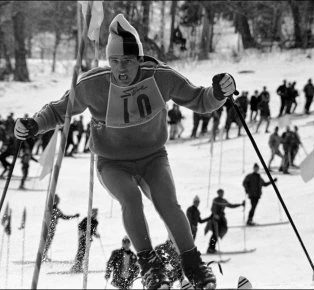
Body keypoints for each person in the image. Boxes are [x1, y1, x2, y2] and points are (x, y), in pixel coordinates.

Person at [14, 14, 235, 289]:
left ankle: (193, 264)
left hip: (153, 157)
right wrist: (33, 125)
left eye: (128, 61)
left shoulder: (161, 78)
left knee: (168, 202)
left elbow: (202, 101)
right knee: (130, 198)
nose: (121, 69)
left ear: (139, 60)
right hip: (113, 163)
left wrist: (219, 91)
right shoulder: (94, 84)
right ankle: (150, 265)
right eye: (115, 61)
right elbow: (60, 110)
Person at [204, 189, 244, 254]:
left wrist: (240, 204)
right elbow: (212, 209)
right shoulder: (215, 200)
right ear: (218, 193)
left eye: (222, 193)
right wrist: (215, 214)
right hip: (214, 220)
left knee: (216, 235)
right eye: (220, 193)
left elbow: (231, 205)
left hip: (220, 220)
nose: (221, 194)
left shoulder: (224, 201)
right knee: (214, 234)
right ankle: (210, 249)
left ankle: (212, 249)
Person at [42, 195, 80, 261]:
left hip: (52, 228)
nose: (58, 202)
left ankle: (44, 255)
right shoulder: (51, 209)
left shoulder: (56, 210)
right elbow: (64, 217)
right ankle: (43, 255)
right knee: (47, 242)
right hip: (48, 228)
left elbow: (64, 217)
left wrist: (74, 216)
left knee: (48, 242)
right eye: (57, 201)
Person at [71, 208, 100, 273]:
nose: (95, 214)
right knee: (80, 251)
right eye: (93, 213)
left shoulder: (96, 222)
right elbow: (80, 226)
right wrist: (84, 233)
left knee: (84, 253)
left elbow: (94, 231)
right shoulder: (86, 219)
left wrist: (96, 235)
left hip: (89, 239)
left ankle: (79, 266)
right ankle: (76, 266)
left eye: (95, 213)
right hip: (83, 238)